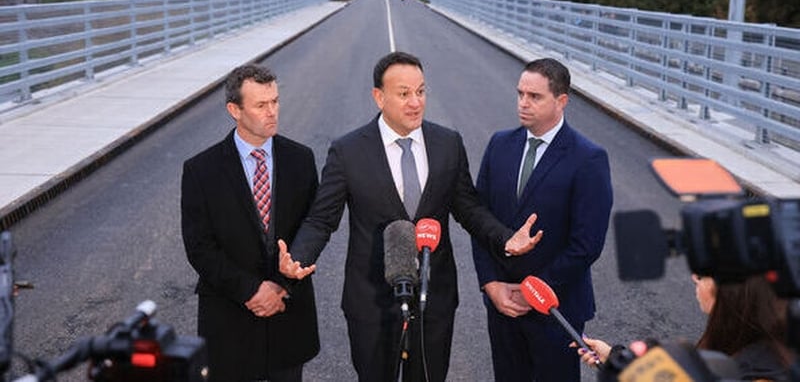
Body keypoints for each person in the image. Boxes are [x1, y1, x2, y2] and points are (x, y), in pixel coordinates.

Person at [277, 51, 543, 382]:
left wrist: (506, 237)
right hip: (371, 302)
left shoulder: (448, 143)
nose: (415, 102)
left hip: (435, 300)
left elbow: (468, 207)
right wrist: (298, 259)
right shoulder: (348, 151)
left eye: (420, 91)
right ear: (379, 97)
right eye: (404, 94)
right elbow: (321, 219)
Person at [470, 57, 613, 382]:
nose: (523, 103)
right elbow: (479, 220)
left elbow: (587, 244)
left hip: (556, 309)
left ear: (561, 101)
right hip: (502, 305)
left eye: (534, 97)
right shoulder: (499, 145)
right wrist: (491, 284)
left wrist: (534, 291)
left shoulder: (588, 158)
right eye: (520, 93)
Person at [181, 64, 320, 382]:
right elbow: (199, 248)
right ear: (234, 110)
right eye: (260, 105)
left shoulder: (302, 160)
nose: (272, 112)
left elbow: (313, 229)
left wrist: (283, 285)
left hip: (288, 319)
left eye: (275, 101)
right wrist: (252, 290)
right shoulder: (201, 171)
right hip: (230, 322)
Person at [577, 274, 791, 381]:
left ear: (735, 292)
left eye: (705, 274)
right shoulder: (766, 346)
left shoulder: (761, 373)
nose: (694, 278)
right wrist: (616, 358)